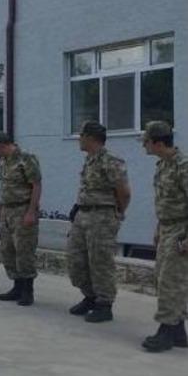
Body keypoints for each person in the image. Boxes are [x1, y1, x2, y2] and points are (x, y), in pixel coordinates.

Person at [67, 121, 131, 323]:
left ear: (90, 138)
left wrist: (118, 212)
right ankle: (90, 296)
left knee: (100, 261)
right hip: (83, 215)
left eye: (81, 135)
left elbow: (124, 192)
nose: (79, 139)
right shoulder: (90, 160)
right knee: (76, 259)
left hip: (102, 216)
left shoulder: (110, 160)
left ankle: (104, 304)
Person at [141, 121, 188, 352]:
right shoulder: (163, 165)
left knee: (171, 280)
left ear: (158, 143)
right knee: (163, 278)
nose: (144, 147)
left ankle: (166, 331)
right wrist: (158, 229)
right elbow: (165, 202)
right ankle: (178, 330)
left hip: (182, 230)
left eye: (146, 142)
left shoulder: (183, 166)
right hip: (168, 228)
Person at [0, 131, 42, 307]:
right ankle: (17, 286)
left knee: (24, 251)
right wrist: (0, 208)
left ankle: (28, 290)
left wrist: (31, 211)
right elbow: (5, 187)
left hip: (22, 209)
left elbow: (36, 185)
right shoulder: (4, 162)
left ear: (2, 146)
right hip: (7, 211)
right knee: (8, 250)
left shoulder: (26, 158)